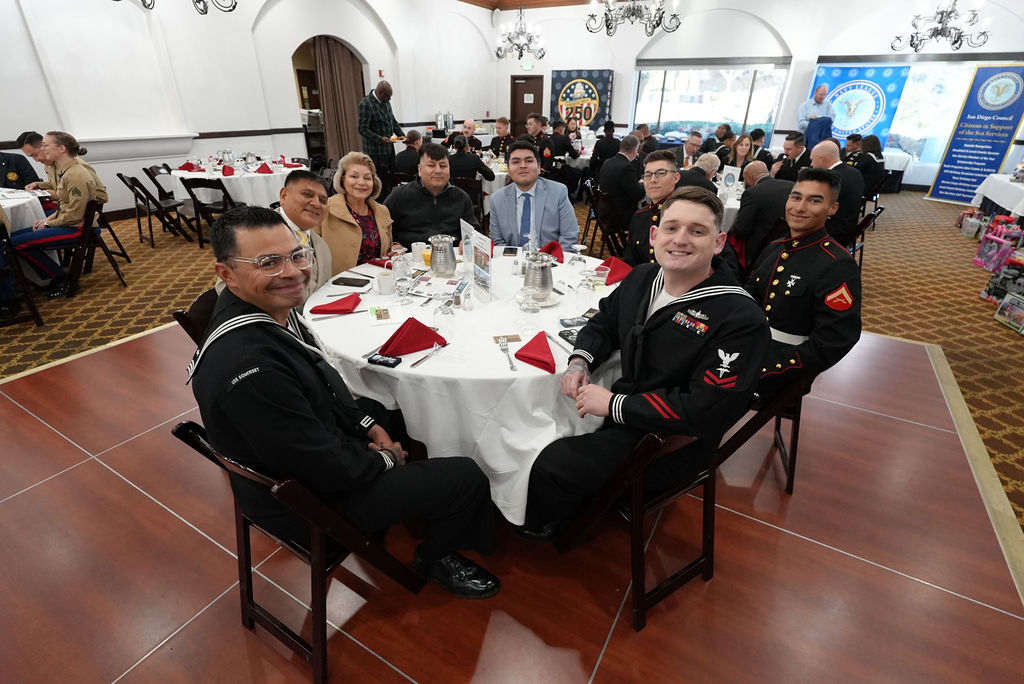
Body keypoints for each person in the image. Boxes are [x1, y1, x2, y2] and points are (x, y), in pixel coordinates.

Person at [190, 205, 500, 598]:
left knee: (385, 410)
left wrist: (367, 426)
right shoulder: (252, 368)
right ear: (226, 274)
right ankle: (436, 557)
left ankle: (411, 499)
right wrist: (386, 459)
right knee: (466, 477)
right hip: (307, 504)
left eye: (296, 255)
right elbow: (323, 468)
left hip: (306, 454)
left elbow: (321, 383)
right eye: (269, 263)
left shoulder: (265, 309)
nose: (292, 272)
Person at [519, 187, 769, 538]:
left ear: (718, 243)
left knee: (547, 462)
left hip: (665, 442)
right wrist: (580, 359)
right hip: (626, 409)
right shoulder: (643, 277)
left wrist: (615, 405)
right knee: (526, 426)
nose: (680, 239)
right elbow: (604, 322)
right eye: (671, 227)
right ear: (654, 235)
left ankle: (546, 528)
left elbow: (706, 409)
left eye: (697, 231)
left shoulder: (739, 318)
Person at [745, 167, 861, 397]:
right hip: (749, 347)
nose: (799, 208)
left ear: (832, 208)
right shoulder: (774, 248)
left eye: (814, 201)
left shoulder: (836, 264)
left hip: (783, 368)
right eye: (796, 197)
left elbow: (835, 339)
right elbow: (747, 300)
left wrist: (771, 370)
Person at [11, 131, 108, 297]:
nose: (42, 149)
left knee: (14, 243)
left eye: (45, 145)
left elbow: (74, 215)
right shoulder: (66, 171)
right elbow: (64, 205)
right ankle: (49, 276)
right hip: (69, 221)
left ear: (62, 149)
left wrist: (48, 223)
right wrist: (48, 219)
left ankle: (59, 278)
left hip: (77, 227)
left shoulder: (76, 174)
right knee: (12, 238)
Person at [316, 152, 399, 276]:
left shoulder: (382, 211)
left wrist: (393, 251)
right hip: (339, 282)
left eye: (367, 178)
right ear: (342, 179)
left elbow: (386, 251)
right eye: (354, 176)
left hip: (377, 279)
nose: (361, 182)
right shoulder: (325, 209)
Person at [489, 141, 578, 250]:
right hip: (513, 259)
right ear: (508, 169)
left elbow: (569, 235)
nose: (523, 166)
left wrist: (554, 258)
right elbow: (497, 241)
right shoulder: (497, 199)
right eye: (516, 162)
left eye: (529, 161)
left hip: (550, 258)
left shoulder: (558, 192)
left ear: (539, 167)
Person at [384, 142, 477, 246]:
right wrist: (393, 244)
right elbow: (382, 227)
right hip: (411, 253)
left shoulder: (461, 198)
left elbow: (473, 231)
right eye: (431, 165)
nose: (438, 171)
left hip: (452, 252)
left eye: (443, 166)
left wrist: (469, 241)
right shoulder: (400, 195)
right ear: (419, 169)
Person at [727, 161, 793, 274]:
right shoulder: (791, 186)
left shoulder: (752, 193)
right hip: (791, 242)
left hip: (759, 249)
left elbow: (741, 229)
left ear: (748, 178)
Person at [623, 150, 680, 266]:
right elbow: (630, 261)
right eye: (648, 175)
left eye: (661, 173)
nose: (653, 180)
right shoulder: (640, 217)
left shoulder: (687, 215)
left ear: (676, 177)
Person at [809, 140, 864, 247]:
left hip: (833, 232)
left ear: (822, 159)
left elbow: (816, 207)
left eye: (812, 160)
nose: (811, 164)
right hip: (849, 227)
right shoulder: (854, 172)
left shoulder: (830, 178)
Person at [357, 80, 404, 181]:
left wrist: (402, 136)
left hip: (388, 150)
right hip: (375, 153)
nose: (390, 99)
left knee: (391, 179)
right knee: (379, 181)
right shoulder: (365, 104)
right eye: (388, 96)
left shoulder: (386, 102)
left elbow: (393, 121)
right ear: (381, 93)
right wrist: (380, 139)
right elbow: (362, 129)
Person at [597, 134, 644, 234]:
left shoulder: (607, 162)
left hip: (604, 210)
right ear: (635, 150)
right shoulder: (627, 167)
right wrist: (643, 185)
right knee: (647, 214)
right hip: (619, 215)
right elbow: (637, 195)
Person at [848, 134, 885, 198]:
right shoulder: (879, 155)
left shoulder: (867, 157)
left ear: (866, 145)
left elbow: (855, 170)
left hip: (864, 188)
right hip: (874, 187)